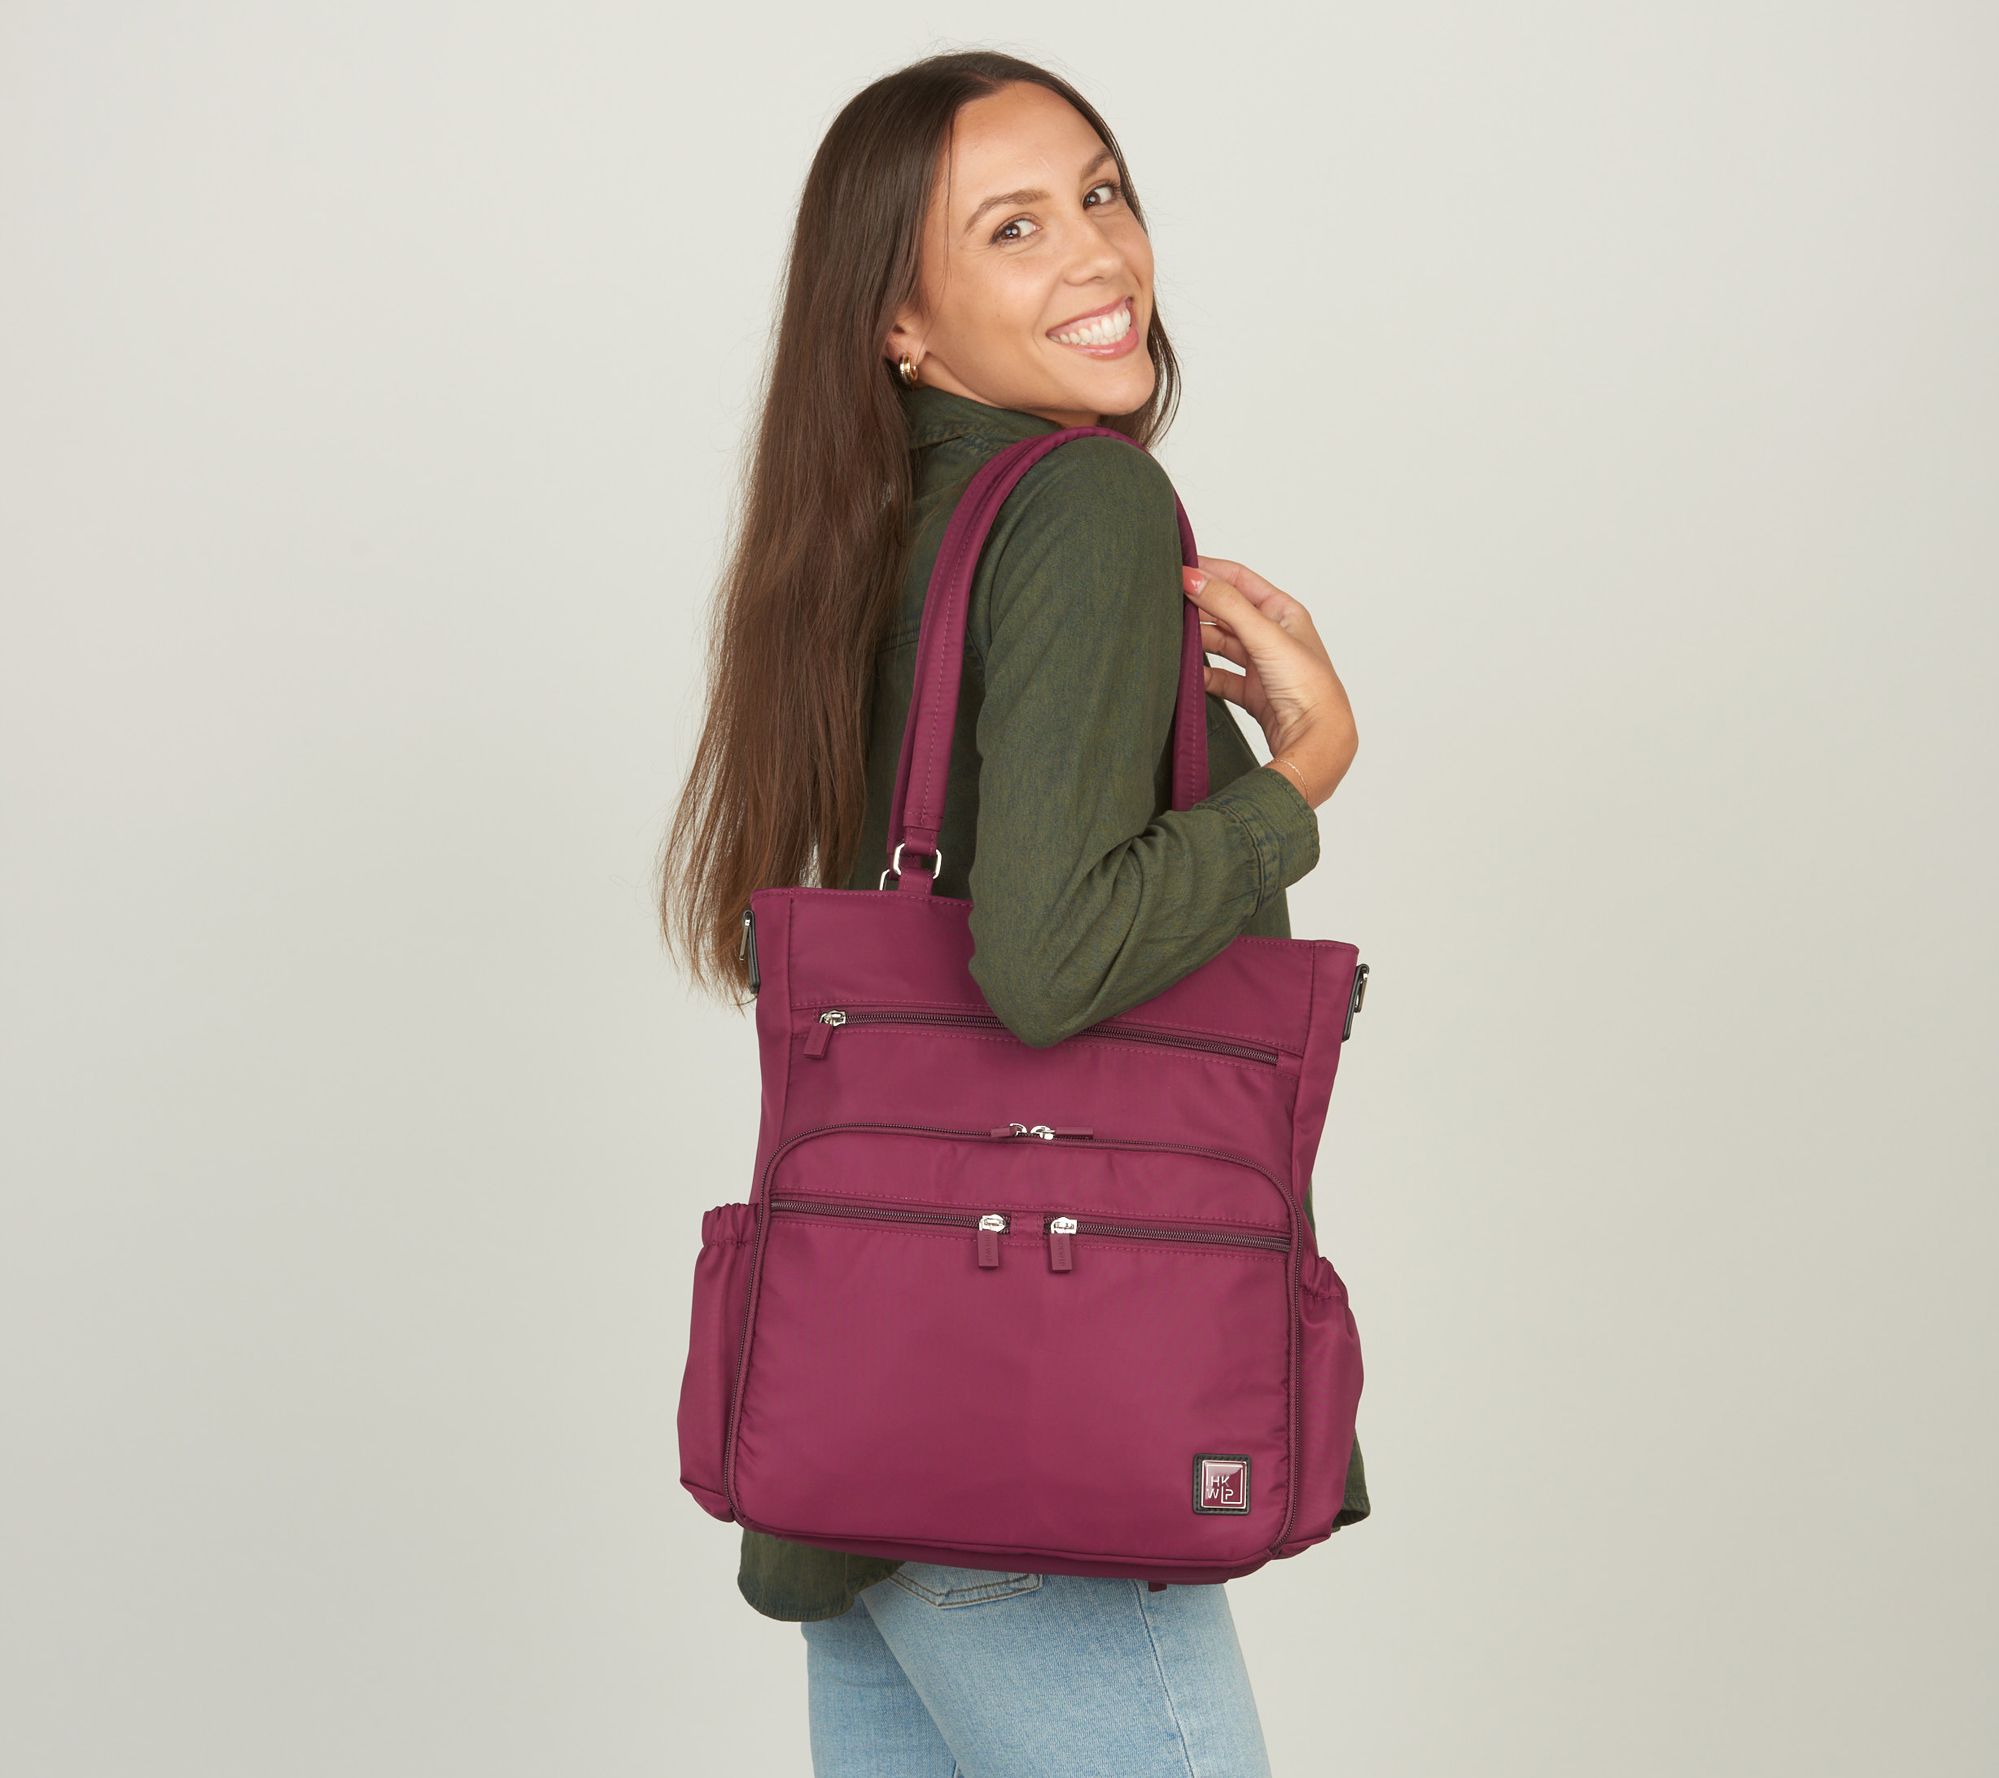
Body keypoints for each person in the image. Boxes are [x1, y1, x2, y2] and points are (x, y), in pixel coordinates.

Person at [659, 48, 1368, 1778]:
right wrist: (1302, 772)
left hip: (865, 1431)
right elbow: (1043, 961)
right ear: (899, 322)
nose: (1099, 253)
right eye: (1015, 227)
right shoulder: (1081, 502)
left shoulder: (868, 527)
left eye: (1101, 193)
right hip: (1032, 1419)